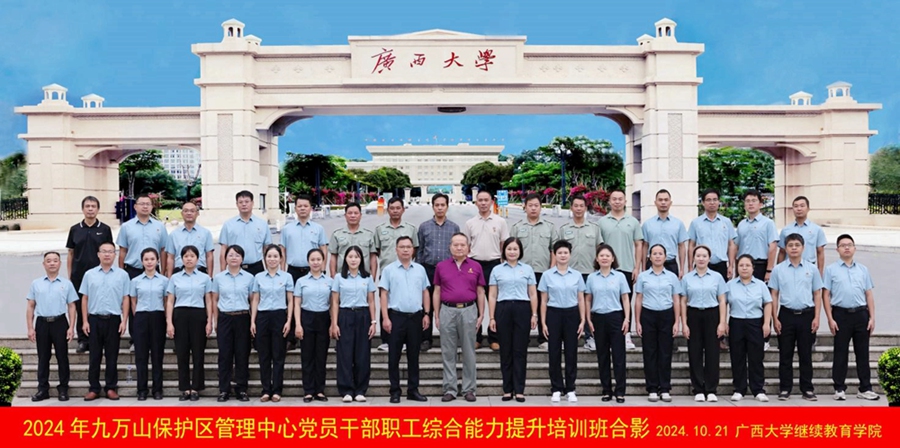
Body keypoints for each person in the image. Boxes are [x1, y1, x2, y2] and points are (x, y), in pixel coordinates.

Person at [823, 234, 880, 401]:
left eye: (849, 245)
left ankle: (865, 388)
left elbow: (868, 294)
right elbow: (826, 295)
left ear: (854, 248)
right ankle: (839, 388)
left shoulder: (863, 270)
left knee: (862, 353)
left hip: (861, 314)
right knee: (840, 353)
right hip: (840, 314)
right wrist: (830, 318)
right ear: (837, 249)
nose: (846, 247)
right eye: (843, 245)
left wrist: (872, 317)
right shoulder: (830, 270)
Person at [769, 233, 823, 401]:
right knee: (785, 355)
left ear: (803, 248)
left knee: (805, 354)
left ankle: (807, 389)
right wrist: (775, 318)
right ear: (785, 248)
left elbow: (817, 293)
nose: (794, 248)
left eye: (797, 245)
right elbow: (774, 294)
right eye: (790, 245)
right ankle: (785, 388)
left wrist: (817, 317)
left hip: (807, 315)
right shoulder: (778, 269)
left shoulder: (811, 269)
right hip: (786, 315)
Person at [434, 233, 485, 402]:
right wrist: (436, 314)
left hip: (468, 310)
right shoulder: (441, 266)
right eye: (455, 245)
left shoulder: (476, 266)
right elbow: (437, 291)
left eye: (462, 245)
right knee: (448, 351)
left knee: (469, 350)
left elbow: (480, 291)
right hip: (447, 310)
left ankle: (469, 389)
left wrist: (481, 314)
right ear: (450, 247)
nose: (459, 248)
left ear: (468, 247)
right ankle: (450, 388)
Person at [379, 236, 430, 403]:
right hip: (396, 317)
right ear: (396, 249)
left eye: (409, 247)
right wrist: (385, 318)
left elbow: (425, 292)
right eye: (402, 247)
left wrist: (426, 313)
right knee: (394, 356)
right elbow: (383, 294)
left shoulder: (420, 269)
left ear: (413, 249)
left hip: (415, 317)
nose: (406, 250)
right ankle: (395, 391)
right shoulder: (389, 270)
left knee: (413, 356)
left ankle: (413, 390)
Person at [79, 241, 131, 401]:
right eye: (104, 251)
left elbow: (126, 298)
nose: (107, 254)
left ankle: (111, 387)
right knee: (94, 356)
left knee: (112, 356)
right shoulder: (89, 274)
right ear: (98, 254)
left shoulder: (122, 275)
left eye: (110, 251)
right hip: (94, 320)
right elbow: (84, 298)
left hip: (113, 319)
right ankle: (94, 388)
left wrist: (124, 320)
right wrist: (85, 321)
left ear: (115, 255)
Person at [488, 237, 537, 403]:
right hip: (503, 308)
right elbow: (492, 295)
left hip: (523, 309)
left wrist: (534, 314)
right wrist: (492, 317)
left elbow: (532, 294)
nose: (512, 252)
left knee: (520, 351)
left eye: (515, 249)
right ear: (504, 251)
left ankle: (520, 389)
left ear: (520, 251)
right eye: (509, 249)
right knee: (506, 350)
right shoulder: (497, 270)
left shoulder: (528, 269)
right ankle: (507, 389)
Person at [26, 251, 78, 402]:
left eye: (55, 260)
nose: (52, 263)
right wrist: (30, 328)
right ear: (44, 264)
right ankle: (43, 389)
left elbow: (72, 306)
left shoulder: (66, 284)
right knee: (43, 357)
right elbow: (30, 306)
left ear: (60, 263)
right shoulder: (36, 283)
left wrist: (71, 327)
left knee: (62, 357)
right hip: (42, 323)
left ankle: (63, 388)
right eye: (48, 261)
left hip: (60, 322)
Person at [634, 244, 683, 403]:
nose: (657, 256)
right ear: (649, 257)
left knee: (665, 352)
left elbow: (676, 299)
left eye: (660, 253)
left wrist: (677, 321)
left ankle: (665, 388)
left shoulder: (672, 277)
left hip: (666, 315)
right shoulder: (643, 276)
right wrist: (637, 321)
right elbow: (639, 299)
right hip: (648, 314)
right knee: (649, 352)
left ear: (665, 257)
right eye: (654, 253)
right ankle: (652, 388)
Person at [538, 240, 586, 403]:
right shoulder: (547, 275)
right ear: (555, 255)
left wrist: (582, 320)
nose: (563, 255)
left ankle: (570, 388)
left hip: (572, 314)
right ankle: (556, 388)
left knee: (571, 352)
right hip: (554, 314)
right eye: (560, 253)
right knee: (554, 352)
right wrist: (543, 322)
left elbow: (581, 299)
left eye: (565, 252)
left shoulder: (577, 275)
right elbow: (543, 301)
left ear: (570, 255)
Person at [166, 245, 214, 402]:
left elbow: (208, 300)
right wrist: (169, 322)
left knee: (198, 353)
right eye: (186, 256)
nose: (189, 259)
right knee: (182, 353)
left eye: (192, 256)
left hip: (198, 315)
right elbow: (170, 301)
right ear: (181, 259)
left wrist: (209, 321)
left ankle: (196, 388)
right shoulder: (175, 278)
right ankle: (185, 388)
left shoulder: (205, 278)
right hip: (180, 315)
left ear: (198, 259)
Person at [66, 196, 113, 354]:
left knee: (99, 306)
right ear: (83, 209)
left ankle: (100, 339)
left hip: (100, 275)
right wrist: (70, 275)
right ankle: (83, 340)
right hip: (79, 276)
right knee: (81, 307)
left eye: (93, 206)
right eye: (87, 206)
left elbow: (109, 252)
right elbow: (71, 253)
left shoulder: (104, 229)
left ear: (98, 209)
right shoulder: (75, 229)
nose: (90, 209)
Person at [330, 246, 377, 402]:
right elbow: (335, 302)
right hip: (345, 315)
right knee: (345, 354)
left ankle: (360, 390)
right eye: (350, 256)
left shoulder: (367, 277)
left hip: (363, 316)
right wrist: (334, 323)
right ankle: (347, 390)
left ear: (361, 259)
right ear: (345, 259)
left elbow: (371, 301)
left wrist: (373, 322)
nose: (353, 259)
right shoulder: (339, 278)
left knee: (362, 354)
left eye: (356, 257)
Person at [681, 245, 727, 402]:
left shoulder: (717, 277)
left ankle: (711, 389)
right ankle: (698, 388)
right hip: (693, 314)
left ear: (709, 258)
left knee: (712, 352)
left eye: (704, 256)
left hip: (712, 314)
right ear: (694, 258)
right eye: (698, 256)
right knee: (694, 352)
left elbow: (722, 300)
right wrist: (684, 323)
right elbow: (683, 301)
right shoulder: (687, 278)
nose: (701, 259)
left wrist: (722, 322)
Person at [511, 193, 557, 351]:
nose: (533, 208)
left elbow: (554, 250)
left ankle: (544, 338)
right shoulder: (517, 227)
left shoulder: (549, 227)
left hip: (543, 272)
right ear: (525, 207)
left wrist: (551, 270)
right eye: (530, 205)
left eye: (536, 205)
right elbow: (511, 249)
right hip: (521, 274)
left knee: (543, 305)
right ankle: (522, 338)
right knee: (524, 307)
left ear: (540, 207)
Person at [585, 243, 630, 403]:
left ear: (612, 259)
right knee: (602, 356)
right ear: (597, 259)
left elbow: (625, 298)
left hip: (616, 317)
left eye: (607, 256)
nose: (604, 258)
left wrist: (626, 318)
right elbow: (588, 299)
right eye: (601, 256)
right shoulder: (591, 278)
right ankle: (606, 390)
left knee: (619, 356)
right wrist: (588, 319)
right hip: (598, 318)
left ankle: (620, 391)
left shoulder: (620, 277)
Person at [558, 194, 604, 352]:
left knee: (589, 306)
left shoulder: (594, 228)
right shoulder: (564, 229)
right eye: (575, 206)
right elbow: (558, 251)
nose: (578, 209)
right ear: (571, 208)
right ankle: (567, 337)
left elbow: (599, 250)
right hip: (568, 273)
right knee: (569, 306)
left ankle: (590, 337)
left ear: (586, 208)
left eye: (581, 206)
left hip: (589, 272)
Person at [282, 194, 328, 351]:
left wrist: (323, 269)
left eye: (305, 206)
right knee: (292, 303)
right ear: (295, 208)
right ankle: (291, 338)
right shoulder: (287, 229)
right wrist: (282, 272)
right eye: (299, 206)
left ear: (311, 208)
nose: (302, 208)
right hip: (293, 271)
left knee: (311, 303)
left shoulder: (318, 229)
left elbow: (323, 249)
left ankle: (308, 337)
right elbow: (283, 251)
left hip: (313, 271)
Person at [598, 189, 643, 351]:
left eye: (620, 199)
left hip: (626, 267)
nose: (617, 202)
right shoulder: (602, 222)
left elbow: (638, 245)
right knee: (607, 301)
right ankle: (606, 335)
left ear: (625, 202)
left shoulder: (633, 222)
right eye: (614, 199)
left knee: (626, 301)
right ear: (609, 201)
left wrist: (637, 267)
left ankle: (626, 334)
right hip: (607, 268)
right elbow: (599, 246)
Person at [465, 190, 509, 349]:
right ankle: (476, 337)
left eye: (486, 200)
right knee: (474, 303)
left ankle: (494, 338)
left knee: (495, 301)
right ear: (476, 202)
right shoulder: (470, 223)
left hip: (494, 264)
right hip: (474, 264)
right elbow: (467, 245)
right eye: (480, 200)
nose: (483, 203)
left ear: (491, 202)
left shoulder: (500, 221)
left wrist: (503, 264)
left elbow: (504, 244)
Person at [374, 197, 420, 351]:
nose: (395, 211)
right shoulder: (380, 229)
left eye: (398, 208)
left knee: (403, 306)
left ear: (403, 210)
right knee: (385, 305)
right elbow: (377, 250)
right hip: (387, 272)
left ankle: (405, 340)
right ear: (387, 210)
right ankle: (386, 340)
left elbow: (415, 248)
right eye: (392, 208)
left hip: (406, 272)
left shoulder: (411, 229)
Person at [416, 193, 460, 352]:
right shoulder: (424, 227)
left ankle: (448, 338)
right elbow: (420, 250)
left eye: (443, 205)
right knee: (426, 305)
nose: (440, 208)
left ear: (447, 206)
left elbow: (458, 249)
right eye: (437, 205)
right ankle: (425, 338)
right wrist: (419, 270)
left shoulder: (454, 227)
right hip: (428, 269)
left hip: (448, 271)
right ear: (433, 206)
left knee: (448, 305)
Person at [726, 254, 773, 402]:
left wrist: (766, 323)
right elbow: (723, 303)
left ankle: (758, 389)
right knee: (737, 356)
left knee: (756, 357)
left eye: (747, 265)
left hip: (755, 323)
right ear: (737, 268)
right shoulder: (730, 285)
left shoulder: (760, 285)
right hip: (736, 322)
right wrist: (724, 322)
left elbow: (768, 303)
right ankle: (739, 389)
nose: (744, 268)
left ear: (753, 268)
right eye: (741, 265)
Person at [251, 244, 294, 402]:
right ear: (265, 258)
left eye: (275, 256)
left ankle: (277, 390)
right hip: (262, 316)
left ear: (281, 259)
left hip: (279, 316)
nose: (272, 259)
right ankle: (266, 390)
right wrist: (253, 321)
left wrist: (289, 321)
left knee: (278, 355)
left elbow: (290, 300)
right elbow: (255, 300)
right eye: (269, 256)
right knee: (264, 355)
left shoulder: (286, 277)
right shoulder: (258, 277)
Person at [212, 245, 255, 402]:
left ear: (242, 259)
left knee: (242, 354)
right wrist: (216, 320)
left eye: (237, 255)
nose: (234, 258)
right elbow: (214, 300)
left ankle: (241, 389)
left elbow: (253, 300)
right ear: (225, 258)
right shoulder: (219, 278)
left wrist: (252, 321)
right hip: (225, 317)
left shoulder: (249, 278)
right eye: (230, 255)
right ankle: (224, 389)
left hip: (243, 317)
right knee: (224, 355)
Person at [129, 248, 168, 401]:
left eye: (152, 259)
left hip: (158, 316)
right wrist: (139, 317)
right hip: (141, 317)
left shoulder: (164, 281)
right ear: (142, 261)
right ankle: (142, 390)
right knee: (141, 356)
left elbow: (166, 301)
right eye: (146, 259)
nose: (149, 262)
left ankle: (157, 389)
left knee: (157, 355)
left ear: (157, 261)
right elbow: (133, 302)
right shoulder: (135, 281)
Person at [294, 248, 332, 403]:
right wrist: (298, 324)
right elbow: (297, 304)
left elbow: (333, 304)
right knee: (307, 355)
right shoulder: (301, 281)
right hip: (307, 317)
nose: (315, 262)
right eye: (312, 260)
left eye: (318, 259)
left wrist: (333, 323)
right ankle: (308, 391)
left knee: (321, 356)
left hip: (323, 318)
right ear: (308, 262)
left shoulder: (330, 281)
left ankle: (320, 390)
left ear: (323, 261)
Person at [219, 190, 272, 276]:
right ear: (237, 204)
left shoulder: (262, 224)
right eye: (240, 202)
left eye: (247, 201)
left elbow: (266, 249)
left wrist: (269, 273)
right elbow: (223, 249)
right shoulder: (228, 225)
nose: (244, 204)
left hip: (256, 268)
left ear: (252, 203)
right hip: (235, 268)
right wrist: (222, 273)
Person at [688, 189, 737, 280]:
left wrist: (731, 265)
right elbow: (691, 245)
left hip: (721, 265)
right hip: (702, 265)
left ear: (719, 202)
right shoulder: (696, 223)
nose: (712, 203)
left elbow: (731, 245)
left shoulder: (726, 222)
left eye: (715, 200)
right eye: (708, 200)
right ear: (703, 203)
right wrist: (690, 266)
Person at [117, 194, 169, 279]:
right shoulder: (126, 227)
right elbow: (122, 251)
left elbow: (163, 250)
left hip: (154, 271)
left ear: (152, 207)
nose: (145, 206)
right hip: (132, 271)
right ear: (135, 207)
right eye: (142, 204)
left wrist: (163, 272)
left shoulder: (160, 227)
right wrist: (121, 273)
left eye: (148, 204)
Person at [641, 189, 688, 277]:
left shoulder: (678, 224)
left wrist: (682, 269)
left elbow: (681, 246)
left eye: (666, 200)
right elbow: (645, 246)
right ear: (655, 203)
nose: (663, 202)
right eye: (660, 200)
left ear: (670, 203)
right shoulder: (647, 224)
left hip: (671, 264)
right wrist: (643, 268)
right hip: (651, 264)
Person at [778, 196, 827, 277]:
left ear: (808, 208)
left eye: (802, 206)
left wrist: (820, 272)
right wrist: (779, 271)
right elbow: (782, 252)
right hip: (788, 268)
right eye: (796, 206)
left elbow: (820, 252)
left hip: (808, 269)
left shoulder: (816, 229)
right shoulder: (786, 230)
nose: (799, 209)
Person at [165, 201, 214, 278]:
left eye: (192, 211)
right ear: (182, 213)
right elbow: (170, 258)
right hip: (179, 272)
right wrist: (169, 278)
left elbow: (209, 256)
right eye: (186, 211)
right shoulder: (174, 234)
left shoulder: (205, 233)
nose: (189, 213)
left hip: (200, 272)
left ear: (197, 213)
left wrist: (210, 277)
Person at [329, 202, 378, 279]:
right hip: (342, 277)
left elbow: (373, 257)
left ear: (360, 215)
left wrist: (373, 277)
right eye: (350, 213)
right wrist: (333, 276)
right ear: (345, 215)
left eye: (356, 213)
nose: (353, 215)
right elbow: (333, 257)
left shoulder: (369, 234)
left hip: (364, 277)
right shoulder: (337, 234)